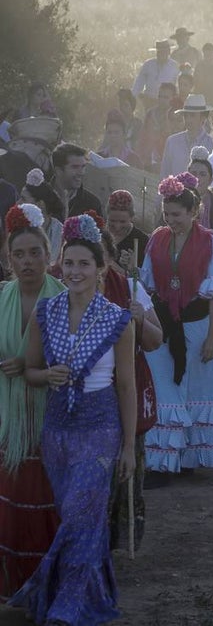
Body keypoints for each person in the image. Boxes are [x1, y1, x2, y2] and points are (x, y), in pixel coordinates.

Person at [8, 214, 135, 625]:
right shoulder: (46, 312)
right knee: (80, 520)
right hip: (57, 430)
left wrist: (129, 447)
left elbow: (126, 386)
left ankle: (65, 606)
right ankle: (92, 595)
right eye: (69, 263)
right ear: (59, 266)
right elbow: (30, 371)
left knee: (81, 516)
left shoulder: (118, 319)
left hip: (101, 427)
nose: (75, 271)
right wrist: (46, 376)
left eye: (84, 264)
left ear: (100, 269)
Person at [140, 175, 213, 485]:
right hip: (163, 327)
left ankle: (189, 457)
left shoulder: (209, 241)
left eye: (177, 214)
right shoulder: (156, 239)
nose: (171, 220)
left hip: (198, 326)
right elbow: (148, 285)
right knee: (165, 391)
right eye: (166, 213)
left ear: (193, 211)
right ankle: (162, 464)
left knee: (196, 391)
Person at [0, 205, 65, 601]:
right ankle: (13, 588)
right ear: (8, 259)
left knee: (48, 502)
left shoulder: (63, 299)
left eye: (34, 253)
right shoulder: (1, 298)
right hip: (8, 421)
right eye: (18, 255)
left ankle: (48, 587)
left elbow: (76, 360)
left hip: (53, 421)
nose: (27, 262)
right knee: (10, 504)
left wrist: (31, 365)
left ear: (48, 255)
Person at [97, 220, 163, 556]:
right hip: (84, 400)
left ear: (108, 257)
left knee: (126, 464)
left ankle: (119, 540)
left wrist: (138, 318)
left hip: (126, 388)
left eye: (99, 257)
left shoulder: (129, 287)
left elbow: (155, 340)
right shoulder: (60, 288)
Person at [159, 94, 213, 179]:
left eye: (192, 115)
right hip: (176, 187)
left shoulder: (211, 144)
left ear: (203, 117)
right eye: (186, 115)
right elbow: (164, 174)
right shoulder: (172, 141)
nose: (188, 119)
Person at [51, 142, 104, 220]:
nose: (81, 173)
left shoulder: (92, 204)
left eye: (83, 167)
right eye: (75, 167)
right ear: (58, 170)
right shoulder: (40, 198)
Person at [21, 168, 65, 260]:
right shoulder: (18, 229)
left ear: (40, 204)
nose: (18, 203)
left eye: (24, 199)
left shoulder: (60, 232)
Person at [107, 189, 150, 271]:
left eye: (122, 222)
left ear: (132, 217)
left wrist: (130, 270)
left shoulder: (142, 241)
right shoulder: (98, 236)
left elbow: (144, 277)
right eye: (112, 221)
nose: (117, 226)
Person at [131, 39, 179, 110]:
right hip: (149, 101)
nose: (161, 54)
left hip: (167, 102)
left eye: (163, 51)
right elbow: (139, 83)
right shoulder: (148, 64)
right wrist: (132, 97)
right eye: (159, 52)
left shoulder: (174, 66)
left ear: (169, 52)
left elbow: (177, 85)